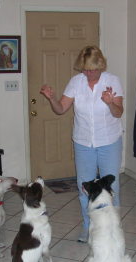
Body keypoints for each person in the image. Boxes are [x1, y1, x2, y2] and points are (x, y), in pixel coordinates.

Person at [39, 45, 124, 243]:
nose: (89, 73)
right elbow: (60, 109)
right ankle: (88, 226)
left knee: (112, 187)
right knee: (84, 187)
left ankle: (112, 228)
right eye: (85, 69)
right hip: (83, 142)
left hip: (109, 141)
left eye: (93, 69)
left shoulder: (112, 81)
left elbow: (119, 112)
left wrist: (110, 102)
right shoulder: (76, 82)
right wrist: (52, 98)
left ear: (100, 66)